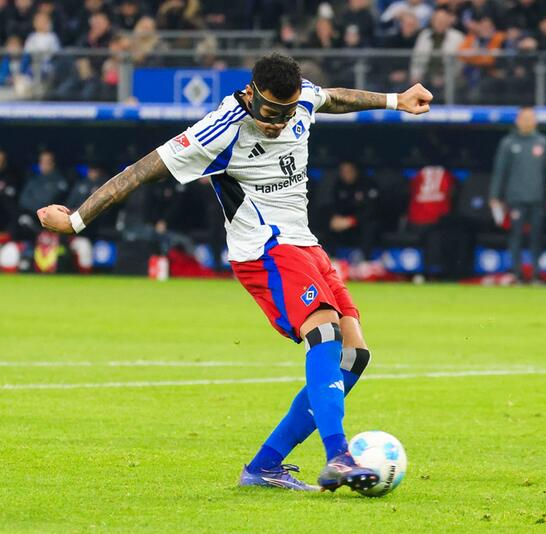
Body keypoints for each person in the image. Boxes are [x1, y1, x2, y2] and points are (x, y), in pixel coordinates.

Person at [36, 52, 433, 492]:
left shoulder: (301, 102)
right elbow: (140, 172)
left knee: (353, 356)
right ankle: (338, 454)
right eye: (269, 113)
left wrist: (396, 100)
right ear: (251, 94)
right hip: (263, 247)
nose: (278, 122)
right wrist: (75, 221)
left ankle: (265, 466)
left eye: (287, 112)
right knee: (323, 333)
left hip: (304, 242)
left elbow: (334, 99)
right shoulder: (220, 127)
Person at [489, 106, 546, 284]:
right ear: (518, 120)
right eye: (524, 118)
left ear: (535, 121)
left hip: (537, 199)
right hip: (515, 199)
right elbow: (500, 171)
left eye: (530, 118)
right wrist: (495, 196)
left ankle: (535, 274)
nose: (527, 121)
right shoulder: (508, 143)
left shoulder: (543, 142)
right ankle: (517, 274)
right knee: (516, 237)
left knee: (536, 237)